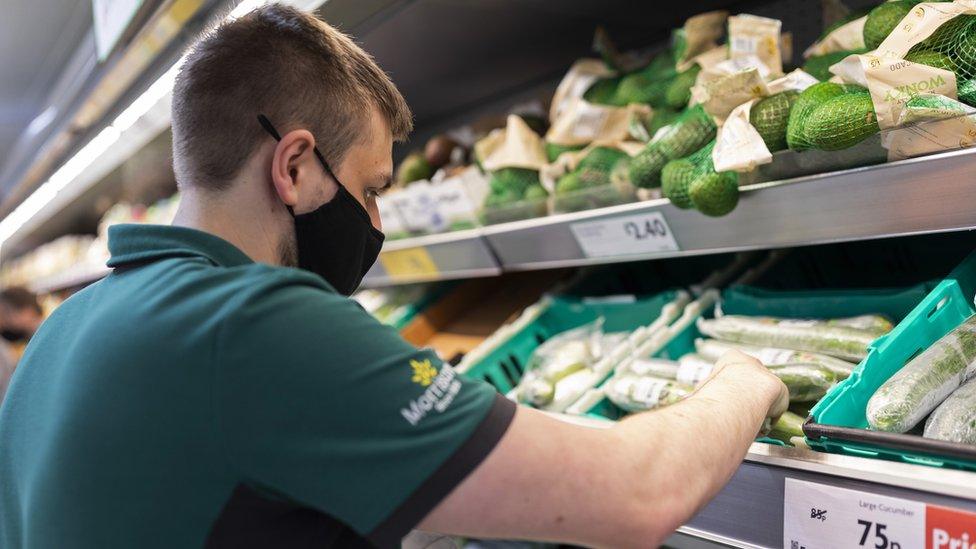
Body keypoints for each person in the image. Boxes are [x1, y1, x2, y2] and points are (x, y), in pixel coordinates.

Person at [0, 5, 789, 548]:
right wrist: (741, 383)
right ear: (296, 165)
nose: (375, 222)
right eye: (372, 189)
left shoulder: (60, 334)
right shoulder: (257, 323)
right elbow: (637, 493)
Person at [0, 286, 43, 404]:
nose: (5, 320)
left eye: (8, 312)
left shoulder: (42, 335)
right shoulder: (30, 337)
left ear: (28, 311)